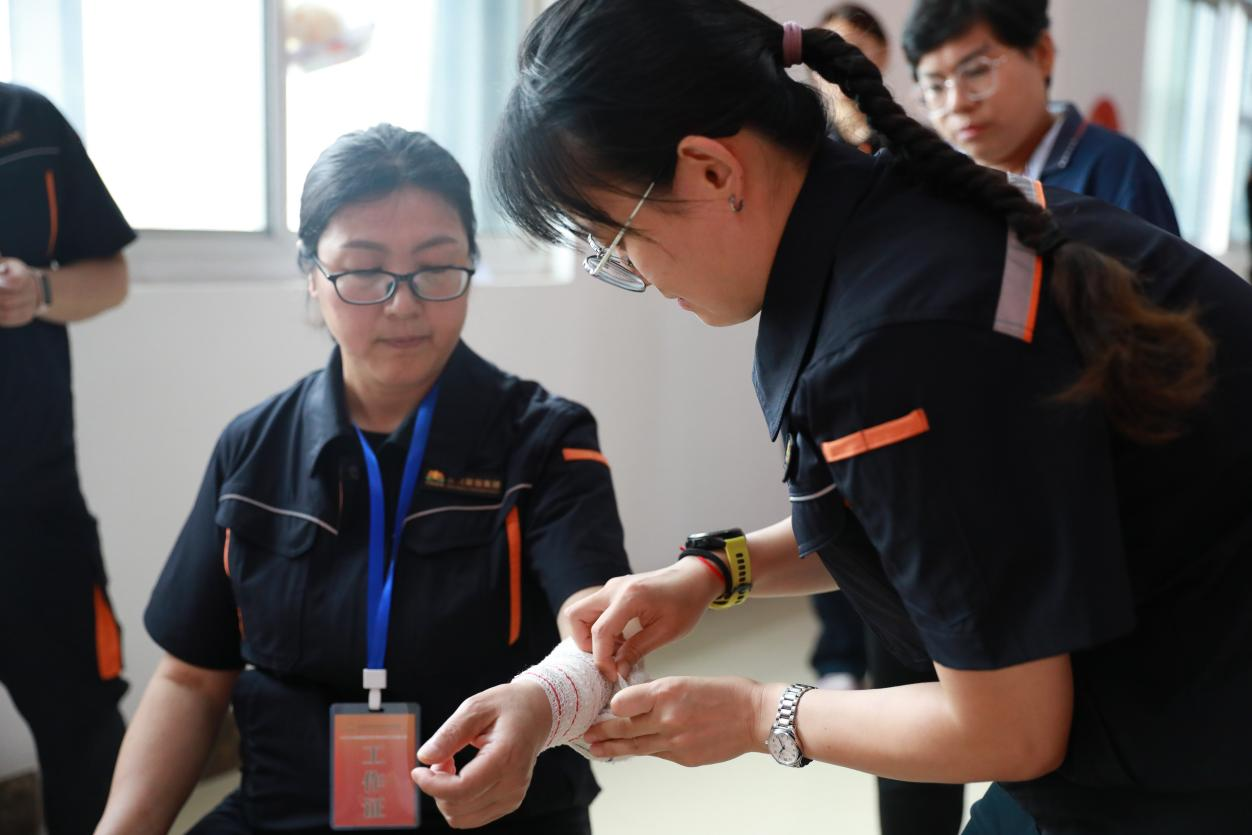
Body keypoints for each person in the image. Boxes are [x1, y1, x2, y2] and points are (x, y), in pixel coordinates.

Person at [418, 1, 1252, 832]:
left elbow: (1012, 728)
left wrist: (757, 714)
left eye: (615, 238)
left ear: (711, 170)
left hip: (1192, 745)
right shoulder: (904, 215)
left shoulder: (891, 345)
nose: (628, 271)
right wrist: (711, 573)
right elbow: (920, 519)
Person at [94, 125, 630, 834]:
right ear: (312, 274)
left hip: (493, 813)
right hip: (289, 811)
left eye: (436, 267)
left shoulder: (547, 441)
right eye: (364, 271)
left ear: (471, 263)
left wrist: (549, 702)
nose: (403, 303)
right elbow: (191, 679)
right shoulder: (252, 451)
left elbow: (598, 631)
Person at [0, 82, 134, 835]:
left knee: (85, 734)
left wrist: (39, 289)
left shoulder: (28, 122)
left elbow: (110, 274)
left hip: (35, 505)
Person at [904, 0, 1179, 234]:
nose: (957, 103)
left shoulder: (1115, 169)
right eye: (935, 87)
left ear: (1042, 54)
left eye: (976, 71)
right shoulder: (932, 181)